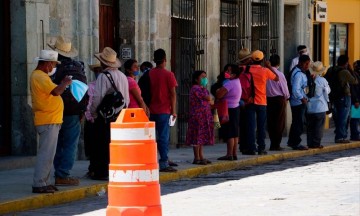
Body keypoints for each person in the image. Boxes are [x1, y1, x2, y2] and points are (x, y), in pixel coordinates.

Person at [30, 50, 72, 193]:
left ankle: (44, 182)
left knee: (49, 154)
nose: (54, 67)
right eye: (53, 64)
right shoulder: (40, 76)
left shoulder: (41, 76)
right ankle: (39, 183)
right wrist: (65, 83)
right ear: (47, 64)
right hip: (47, 120)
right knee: (46, 154)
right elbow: (56, 92)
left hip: (50, 119)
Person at [49, 36, 87, 186]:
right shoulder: (78, 66)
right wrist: (82, 109)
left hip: (56, 110)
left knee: (57, 143)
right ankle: (63, 174)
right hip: (74, 111)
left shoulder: (53, 68)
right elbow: (83, 89)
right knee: (70, 143)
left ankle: (59, 171)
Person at [89, 47, 130, 180]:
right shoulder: (123, 76)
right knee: (116, 144)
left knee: (102, 144)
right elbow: (127, 99)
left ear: (103, 62)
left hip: (106, 116)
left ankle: (102, 171)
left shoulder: (103, 76)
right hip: (121, 115)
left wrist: (93, 112)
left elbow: (97, 97)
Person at [244, 50, 279, 155]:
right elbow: (277, 78)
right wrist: (268, 66)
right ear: (263, 60)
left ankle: (251, 148)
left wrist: (247, 62)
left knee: (250, 126)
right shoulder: (265, 71)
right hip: (262, 101)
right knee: (261, 127)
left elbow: (238, 67)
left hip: (250, 101)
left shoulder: (246, 69)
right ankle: (261, 148)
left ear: (252, 59)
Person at [149, 48, 178, 172]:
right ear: (165, 60)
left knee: (150, 138)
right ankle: (164, 162)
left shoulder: (149, 74)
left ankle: (152, 161)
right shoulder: (169, 75)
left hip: (150, 110)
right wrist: (173, 110)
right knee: (163, 137)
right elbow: (173, 94)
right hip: (164, 110)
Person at [325, 55, 358, 143]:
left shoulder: (330, 69)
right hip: (344, 96)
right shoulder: (345, 71)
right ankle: (340, 137)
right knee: (343, 118)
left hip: (333, 96)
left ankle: (339, 135)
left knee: (337, 117)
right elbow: (355, 81)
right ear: (346, 63)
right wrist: (350, 70)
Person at [186, 70, 214, 165]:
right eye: (202, 77)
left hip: (204, 116)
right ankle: (196, 157)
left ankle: (201, 156)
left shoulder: (203, 89)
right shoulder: (196, 88)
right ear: (196, 79)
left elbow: (210, 100)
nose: (205, 79)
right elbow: (209, 98)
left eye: (205, 77)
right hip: (197, 116)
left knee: (201, 137)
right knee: (196, 137)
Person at [216, 64, 242, 161]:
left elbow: (219, 95)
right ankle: (234, 153)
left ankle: (229, 154)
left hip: (229, 109)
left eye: (229, 71)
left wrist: (219, 90)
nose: (226, 72)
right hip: (235, 108)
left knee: (230, 133)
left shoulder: (229, 83)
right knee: (235, 133)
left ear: (234, 74)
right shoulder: (237, 81)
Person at [287, 54, 311, 150]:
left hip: (299, 101)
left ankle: (292, 141)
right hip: (298, 102)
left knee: (296, 122)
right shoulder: (298, 74)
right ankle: (296, 143)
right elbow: (296, 89)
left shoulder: (300, 72)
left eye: (308, 64)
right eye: (306, 64)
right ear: (300, 63)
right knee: (299, 123)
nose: (307, 66)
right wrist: (302, 98)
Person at [266, 54, 290, 151]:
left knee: (271, 122)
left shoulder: (266, 73)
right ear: (279, 63)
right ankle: (276, 144)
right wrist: (287, 97)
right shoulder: (279, 74)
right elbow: (284, 88)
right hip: (279, 99)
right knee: (279, 122)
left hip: (268, 99)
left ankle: (273, 143)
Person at [306, 61, 330, 149]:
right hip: (320, 107)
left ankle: (310, 143)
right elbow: (327, 91)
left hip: (310, 107)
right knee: (318, 127)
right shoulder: (322, 80)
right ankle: (316, 143)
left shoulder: (308, 79)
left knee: (310, 127)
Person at [84, 63, 102, 178]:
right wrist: (89, 117)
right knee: (92, 146)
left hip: (101, 118)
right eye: (96, 70)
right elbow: (88, 103)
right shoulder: (90, 86)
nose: (98, 72)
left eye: (99, 70)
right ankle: (92, 168)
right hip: (92, 119)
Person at [237, 48, 253, 153]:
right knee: (247, 125)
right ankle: (246, 146)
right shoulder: (243, 72)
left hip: (242, 100)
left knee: (244, 124)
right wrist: (249, 98)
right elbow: (244, 87)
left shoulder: (241, 71)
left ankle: (244, 145)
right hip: (245, 101)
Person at [350, 60, 360, 141]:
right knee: (355, 119)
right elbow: (354, 89)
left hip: (357, 100)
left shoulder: (356, 75)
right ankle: (355, 135)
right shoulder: (354, 75)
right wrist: (356, 100)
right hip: (356, 100)